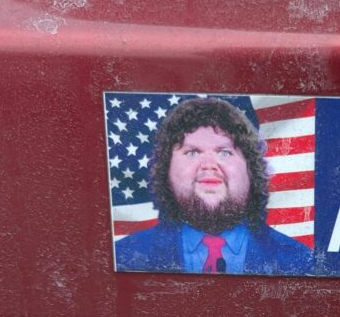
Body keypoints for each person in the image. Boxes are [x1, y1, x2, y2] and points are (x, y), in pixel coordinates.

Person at [114, 97, 313, 275]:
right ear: (166, 169)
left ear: (251, 171)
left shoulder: (300, 262)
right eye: (192, 152)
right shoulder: (123, 257)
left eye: (224, 152)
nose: (209, 165)